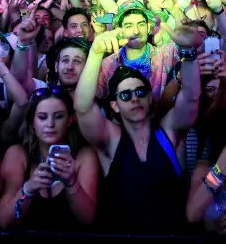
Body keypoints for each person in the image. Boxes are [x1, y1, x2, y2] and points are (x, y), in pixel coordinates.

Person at [74, 25, 202, 234]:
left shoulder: (169, 132)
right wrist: (96, 53)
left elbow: (191, 96)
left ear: (150, 97)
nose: (134, 98)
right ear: (114, 105)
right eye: (125, 95)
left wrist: (188, 52)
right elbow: (82, 107)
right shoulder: (110, 139)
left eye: (140, 91)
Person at [0, 88, 98, 230]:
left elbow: (87, 219)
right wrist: (28, 189)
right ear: (32, 121)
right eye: (42, 117)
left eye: (58, 116)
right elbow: (5, 222)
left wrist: (71, 182)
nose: (50, 124)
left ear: (70, 119)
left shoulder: (84, 156)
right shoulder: (17, 154)